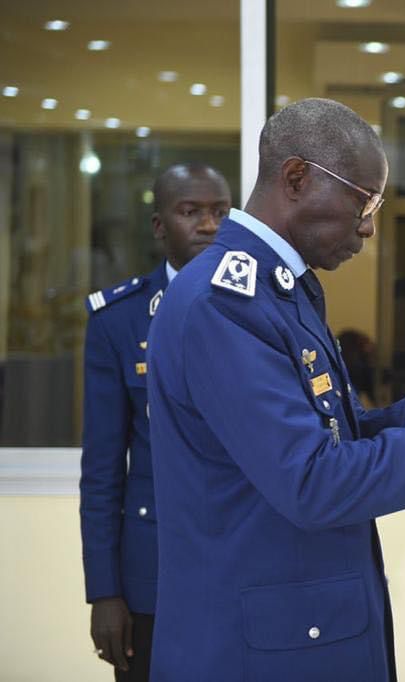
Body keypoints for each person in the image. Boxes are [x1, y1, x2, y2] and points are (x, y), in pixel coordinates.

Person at [145, 98, 405, 682]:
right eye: (362, 200)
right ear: (296, 178)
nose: (369, 225)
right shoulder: (225, 304)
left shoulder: (281, 289)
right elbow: (314, 480)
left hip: (295, 635)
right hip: (256, 653)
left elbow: (339, 439)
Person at [80, 163, 231, 681]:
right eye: (191, 212)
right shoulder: (118, 321)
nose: (209, 225)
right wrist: (105, 591)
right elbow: (102, 470)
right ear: (160, 225)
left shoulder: (258, 307)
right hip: (153, 575)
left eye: (219, 212)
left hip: (242, 563)